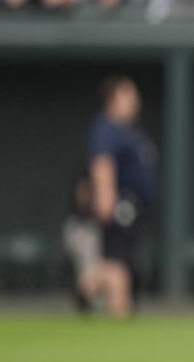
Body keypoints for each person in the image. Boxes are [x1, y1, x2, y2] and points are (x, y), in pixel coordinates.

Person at [80, 76, 158, 318]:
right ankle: (112, 308)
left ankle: (88, 290)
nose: (135, 101)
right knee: (117, 267)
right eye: (129, 96)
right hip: (119, 207)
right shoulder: (106, 128)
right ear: (112, 99)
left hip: (134, 209)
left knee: (124, 266)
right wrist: (106, 200)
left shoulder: (128, 132)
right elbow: (102, 165)